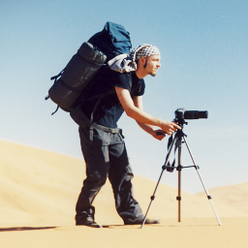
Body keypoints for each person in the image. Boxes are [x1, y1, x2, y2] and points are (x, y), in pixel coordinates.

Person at [70, 44, 181, 228]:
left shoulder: (139, 83)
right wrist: (160, 123)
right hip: (93, 128)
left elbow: (138, 112)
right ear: (142, 60)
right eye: (156, 60)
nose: (159, 64)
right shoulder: (121, 75)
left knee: (124, 174)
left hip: (113, 131)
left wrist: (152, 131)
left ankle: (131, 215)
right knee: (97, 175)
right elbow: (129, 110)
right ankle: (83, 217)